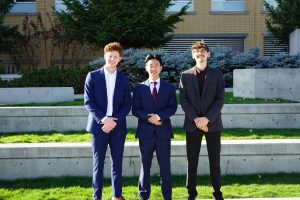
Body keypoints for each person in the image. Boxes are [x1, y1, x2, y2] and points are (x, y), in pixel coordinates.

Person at [84, 42, 131, 200]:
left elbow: (127, 104)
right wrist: (104, 120)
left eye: (115, 56)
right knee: (98, 164)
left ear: (119, 59)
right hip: (99, 127)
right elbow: (88, 101)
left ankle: (117, 195)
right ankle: (97, 196)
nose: (112, 59)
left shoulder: (124, 79)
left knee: (117, 163)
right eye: (109, 56)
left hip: (117, 127)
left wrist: (113, 122)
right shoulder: (93, 76)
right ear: (105, 56)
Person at [179, 41, 225, 200]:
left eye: (203, 52)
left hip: (212, 125)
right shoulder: (185, 75)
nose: (200, 54)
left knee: (215, 161)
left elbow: (220, 100)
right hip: (192, 125)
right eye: (197, 52)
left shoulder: (217, 74)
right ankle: (191, 194)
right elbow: (184, 100)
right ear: (193, 55)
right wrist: (197, 119)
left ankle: (217, 193)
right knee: (192, 162)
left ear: (208, 54)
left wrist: (206, 119)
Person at [132, 54, 177, 200]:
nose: (153, 68)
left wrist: (158, 117)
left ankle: (167, 196)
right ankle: (143, 195)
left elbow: (172, 107)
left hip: (163, 132)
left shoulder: (169, 87)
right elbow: (136, 110)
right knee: (145, 166)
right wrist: (150, 118)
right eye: (150, 65)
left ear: (161, 68)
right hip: (145, 133)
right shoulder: (139, 88)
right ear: (146, 68)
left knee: (165, 167)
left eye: (156, 65)